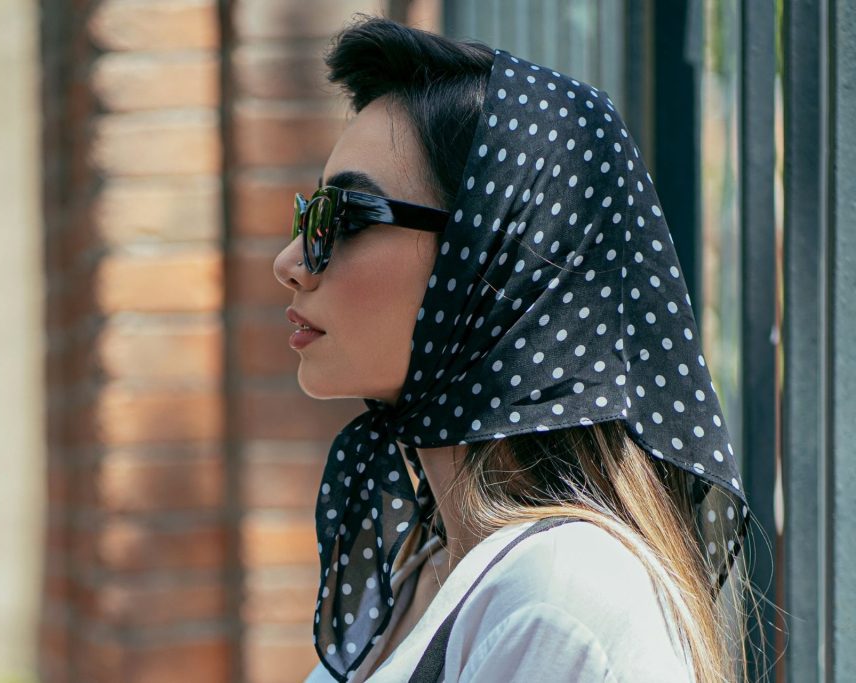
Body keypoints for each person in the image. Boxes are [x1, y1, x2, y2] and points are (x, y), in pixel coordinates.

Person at [273, 15, 756, 683]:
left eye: (346, 216)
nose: (291, 261)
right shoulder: (426, 565)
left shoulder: (558, 598)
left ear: (488, 262)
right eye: (308, 218)